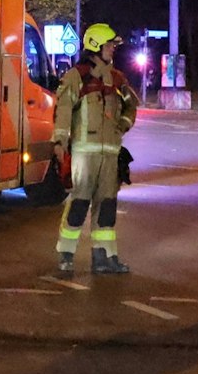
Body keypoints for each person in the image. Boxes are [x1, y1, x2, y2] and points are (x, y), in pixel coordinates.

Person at [52, 22, 139, 276]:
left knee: (108, 207)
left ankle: (104, 257)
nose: (113, 49)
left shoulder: (118, 79)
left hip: (110, 155)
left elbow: (131, 107)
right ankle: (66, 254)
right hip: (84, 155)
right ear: (95, 46)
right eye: (110, 45)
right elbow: (63, 111)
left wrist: (121, 126)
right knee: (79, 204)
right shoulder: (76, 77)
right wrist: (60, 143)